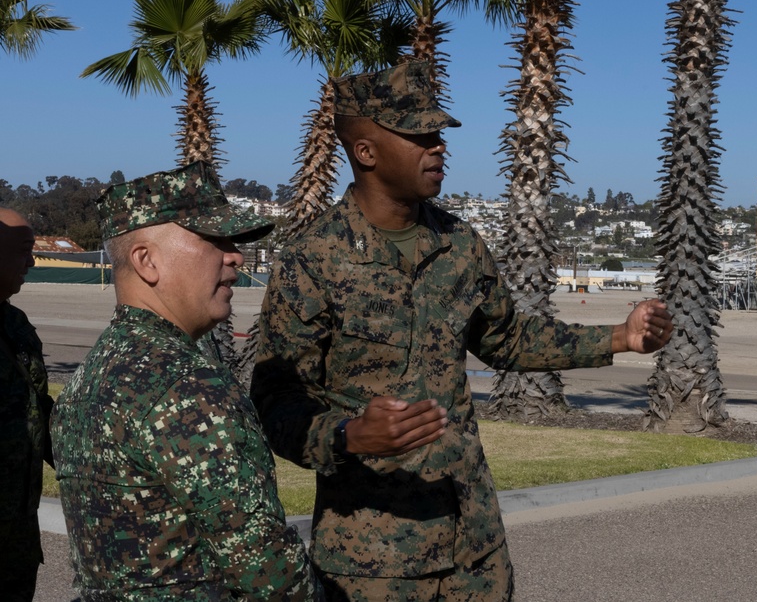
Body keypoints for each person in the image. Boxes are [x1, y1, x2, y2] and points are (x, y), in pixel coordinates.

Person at [251, 60, 673, 601]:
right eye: (419, 134)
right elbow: (275, 399)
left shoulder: (461, 244)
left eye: (439, 133)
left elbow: (506, 339)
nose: (438, 146)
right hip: (372, 561)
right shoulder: (314, 261)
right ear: (366, 151)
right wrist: (346, 435)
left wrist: (617, 336)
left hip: (473, 548)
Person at [51, 162, 322, 600]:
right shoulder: (186, 386)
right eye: (214, 241)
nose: (234, 255)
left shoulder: (94, 371)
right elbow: (268, 573)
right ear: (147, 260)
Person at [0, 207, 52, 601]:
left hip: (16, 538)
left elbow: (39, 409)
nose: (31, 261)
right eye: (23, 250)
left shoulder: (14, 323)